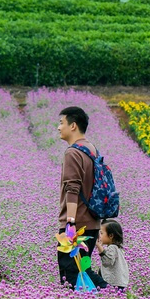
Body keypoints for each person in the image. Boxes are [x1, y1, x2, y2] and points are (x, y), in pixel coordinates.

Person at [56, 106, 101, 288]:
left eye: (61, 123)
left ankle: (112, 295)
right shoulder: (91, 149)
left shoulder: (73, 152)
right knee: (84, 270)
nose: (59, 127)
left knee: (70, 275)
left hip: (76, 227)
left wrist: (70, 222)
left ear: (73, 126)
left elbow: (72, 188)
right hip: (92, 223)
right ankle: (111, 297)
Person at [97, 219, 129, 291]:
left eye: (101, 233)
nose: (99, 236)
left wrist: (99, 247)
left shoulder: (112, 247)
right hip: (120, 283)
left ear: (111, 235)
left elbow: (107, 262)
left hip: (114, 284)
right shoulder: (117, 248)